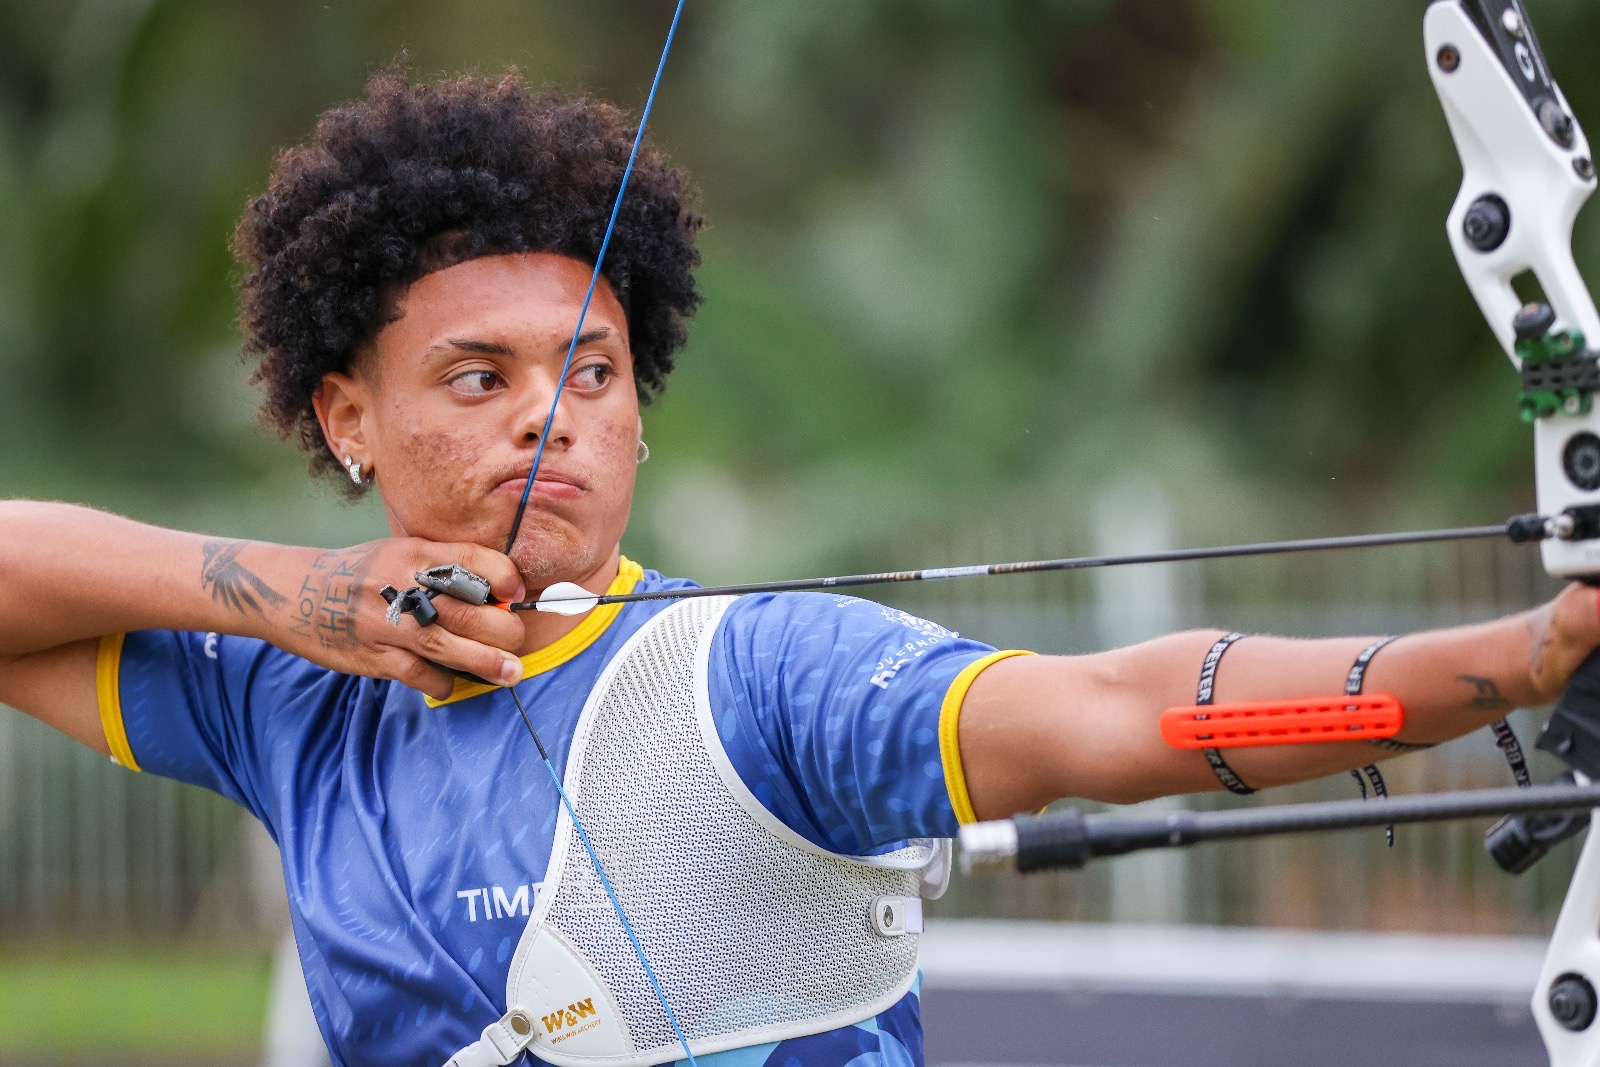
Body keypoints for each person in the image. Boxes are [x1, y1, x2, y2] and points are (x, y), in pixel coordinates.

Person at [0, 69, 1595, 1067]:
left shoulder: (756, 680)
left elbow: (1134, 714)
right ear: (348, 416)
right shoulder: (298, 704)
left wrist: (1510, 664)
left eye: (595, 374)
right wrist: (298, 596)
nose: (548, 422)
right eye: (475, 379)